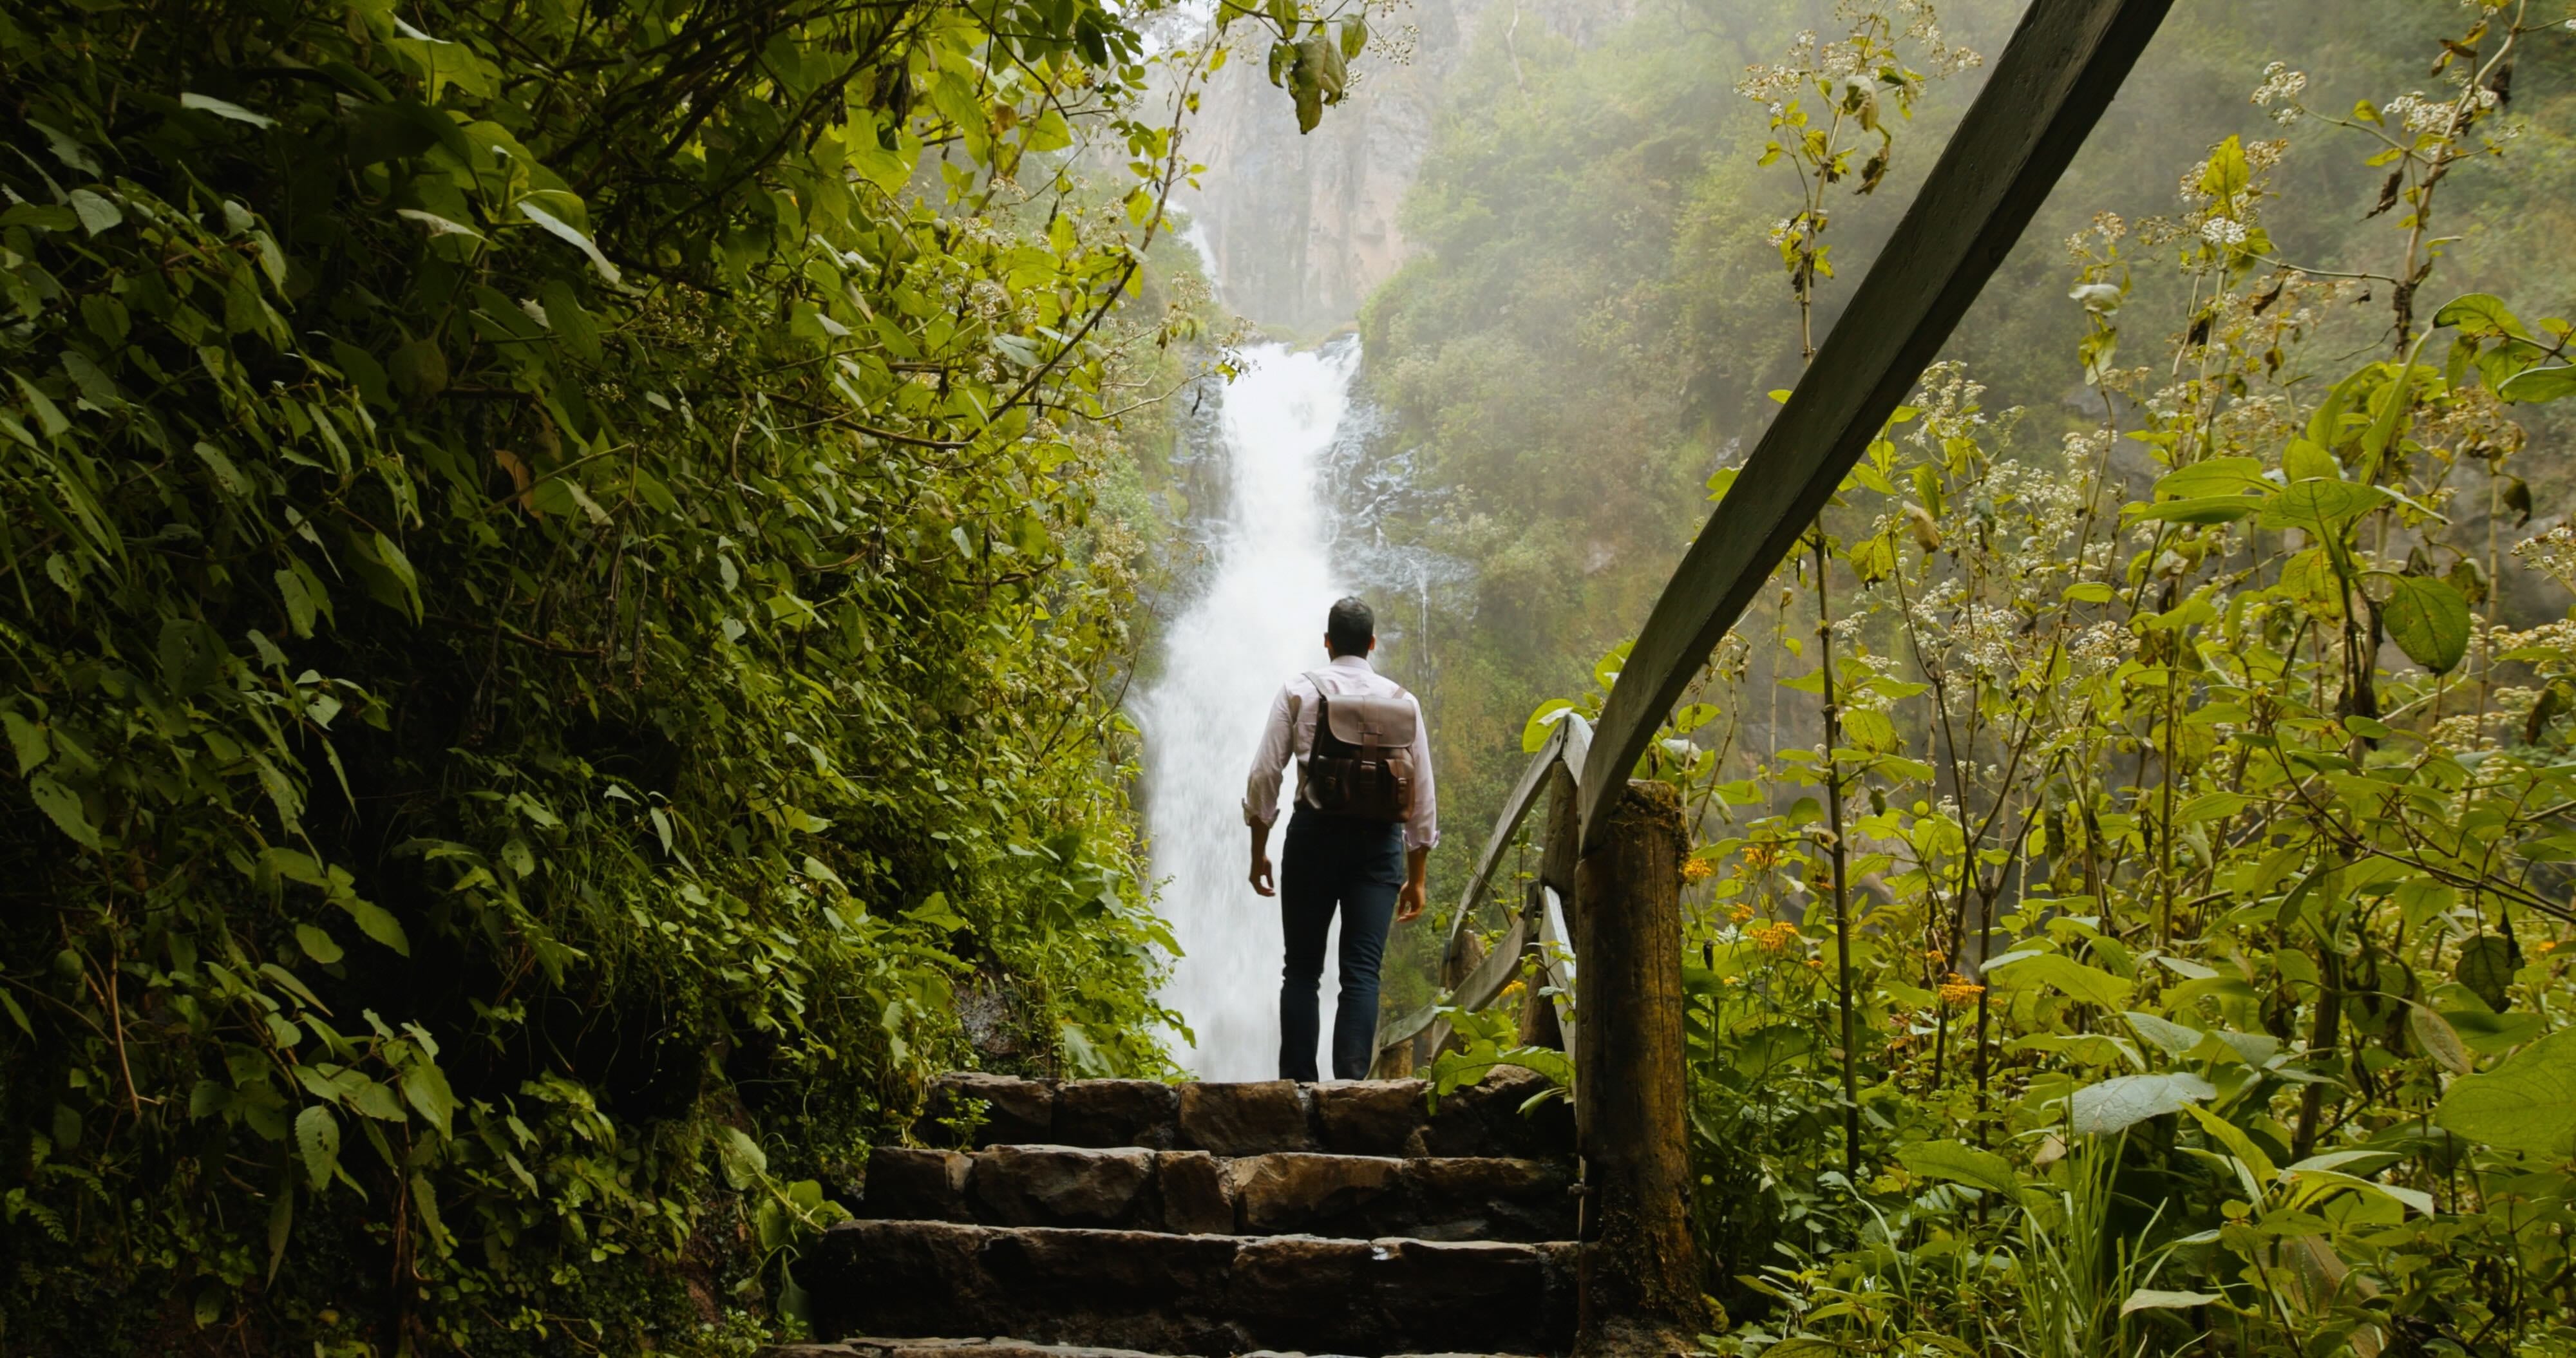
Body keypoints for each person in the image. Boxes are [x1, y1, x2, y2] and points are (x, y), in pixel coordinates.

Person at [1243, 596, 1439, 1081]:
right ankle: (1351, 1087)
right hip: (1378, 846)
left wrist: (1258, 850)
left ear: (1327, 641)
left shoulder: (1298, 690)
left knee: (1302, 971)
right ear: (1372, 644)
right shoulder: (1403, 702)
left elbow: (1266, 773)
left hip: (1313, 838)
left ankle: (1297, 1087)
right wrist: (1418, 877)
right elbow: (1422, 794)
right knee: (1362, 972)